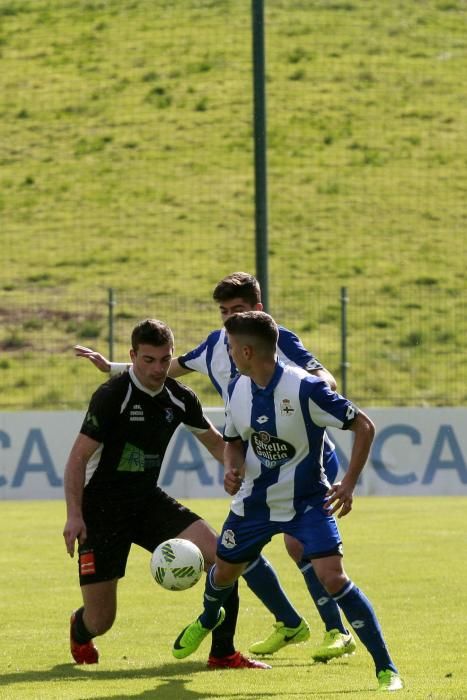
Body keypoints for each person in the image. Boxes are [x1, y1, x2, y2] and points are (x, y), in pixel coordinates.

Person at [74, 272, 355, 662]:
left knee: (266, 548)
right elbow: (162, 370)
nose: (228, 319)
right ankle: (290, 622)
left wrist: (312, 390)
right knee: (232, 550)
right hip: (241, 463)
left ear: (257, 310)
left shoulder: (277, 339)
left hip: (293, 456)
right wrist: (114, 368)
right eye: (223, 311)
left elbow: (324, 377)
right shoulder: (210, 348)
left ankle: (318, 633)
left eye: (237, 310)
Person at [172, 311, 404, 692]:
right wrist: (231, 468)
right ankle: (208, 616)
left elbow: (363, 425)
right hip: (254, 505)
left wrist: (347, 482)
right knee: (225, 572)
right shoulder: (238, 390)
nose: (227, 354)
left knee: (333, 577)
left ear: (246, 351)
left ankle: (386, 669)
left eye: (230, 348)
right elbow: (234, 440)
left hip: (307, 502)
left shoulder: (305, 389)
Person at [63, 318, 287, 669]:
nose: (157, 368)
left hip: (147, 501)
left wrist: (238, 469)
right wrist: (74, 515)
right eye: (148, 360)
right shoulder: (112, 396)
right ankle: (80, 629)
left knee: (224, 557)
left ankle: (223, 652)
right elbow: (77, 458)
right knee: (101, 620)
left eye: (165, 360)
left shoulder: (179, 397)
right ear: (133, 356)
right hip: (101, 511)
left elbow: (217, 443)